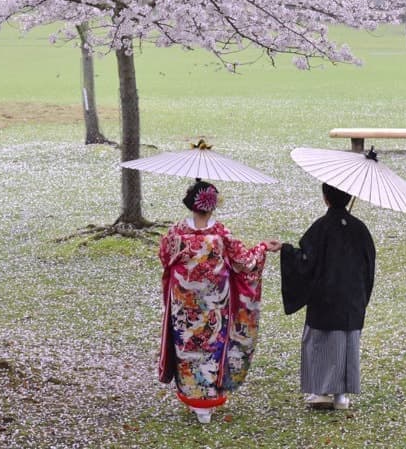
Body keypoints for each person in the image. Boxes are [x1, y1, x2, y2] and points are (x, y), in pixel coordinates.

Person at [157, 180, 282, 424]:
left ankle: (193, 398)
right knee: (211, 349)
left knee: (187, 348)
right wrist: (264, 247)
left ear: (190, 203)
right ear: (213, 206)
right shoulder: (222, 235)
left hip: (184, 306)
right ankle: (208, 401)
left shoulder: (175, 233)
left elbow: (164, 258)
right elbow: (246, 263)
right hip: (214, 306)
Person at [279, 182, 376, 411]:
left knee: (321, 343)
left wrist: (285, 250)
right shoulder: (360, 229)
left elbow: (305, 261)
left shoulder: (321, 227)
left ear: (326, 198)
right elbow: (368, 266)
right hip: (351, 300)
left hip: (324, 299)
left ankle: (320, 392)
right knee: (346, 344)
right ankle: (341, 396)